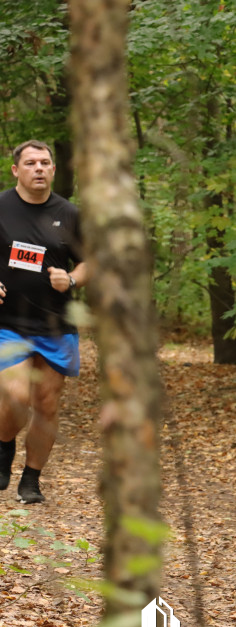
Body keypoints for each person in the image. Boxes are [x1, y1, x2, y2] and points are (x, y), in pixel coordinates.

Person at [0, 140, 87, 504]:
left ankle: (31, 480)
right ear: (16, 170)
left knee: (46, 405)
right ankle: (4, 446)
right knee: (16, 396)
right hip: (9, 322)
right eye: (31, 162)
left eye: (45, 162)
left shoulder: (70, 214)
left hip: (55, 325)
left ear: (53, 170)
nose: (39, 168)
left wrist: (72, 279)